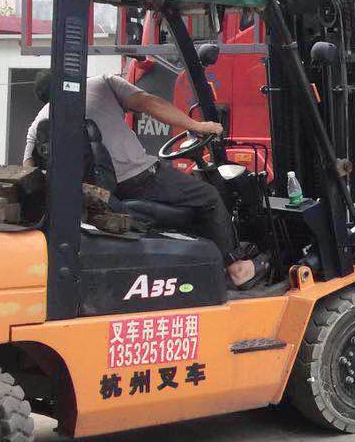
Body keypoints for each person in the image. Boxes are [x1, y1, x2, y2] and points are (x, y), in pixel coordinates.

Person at [23, 72, 265, 289]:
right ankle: (236, 268)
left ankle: (201, 258)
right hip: (140, 179)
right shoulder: (102, 84)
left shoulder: (39, 123)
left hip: (100, 197)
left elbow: (29, 168)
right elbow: (150, 103)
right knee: (209, 197)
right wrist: (197, 125)